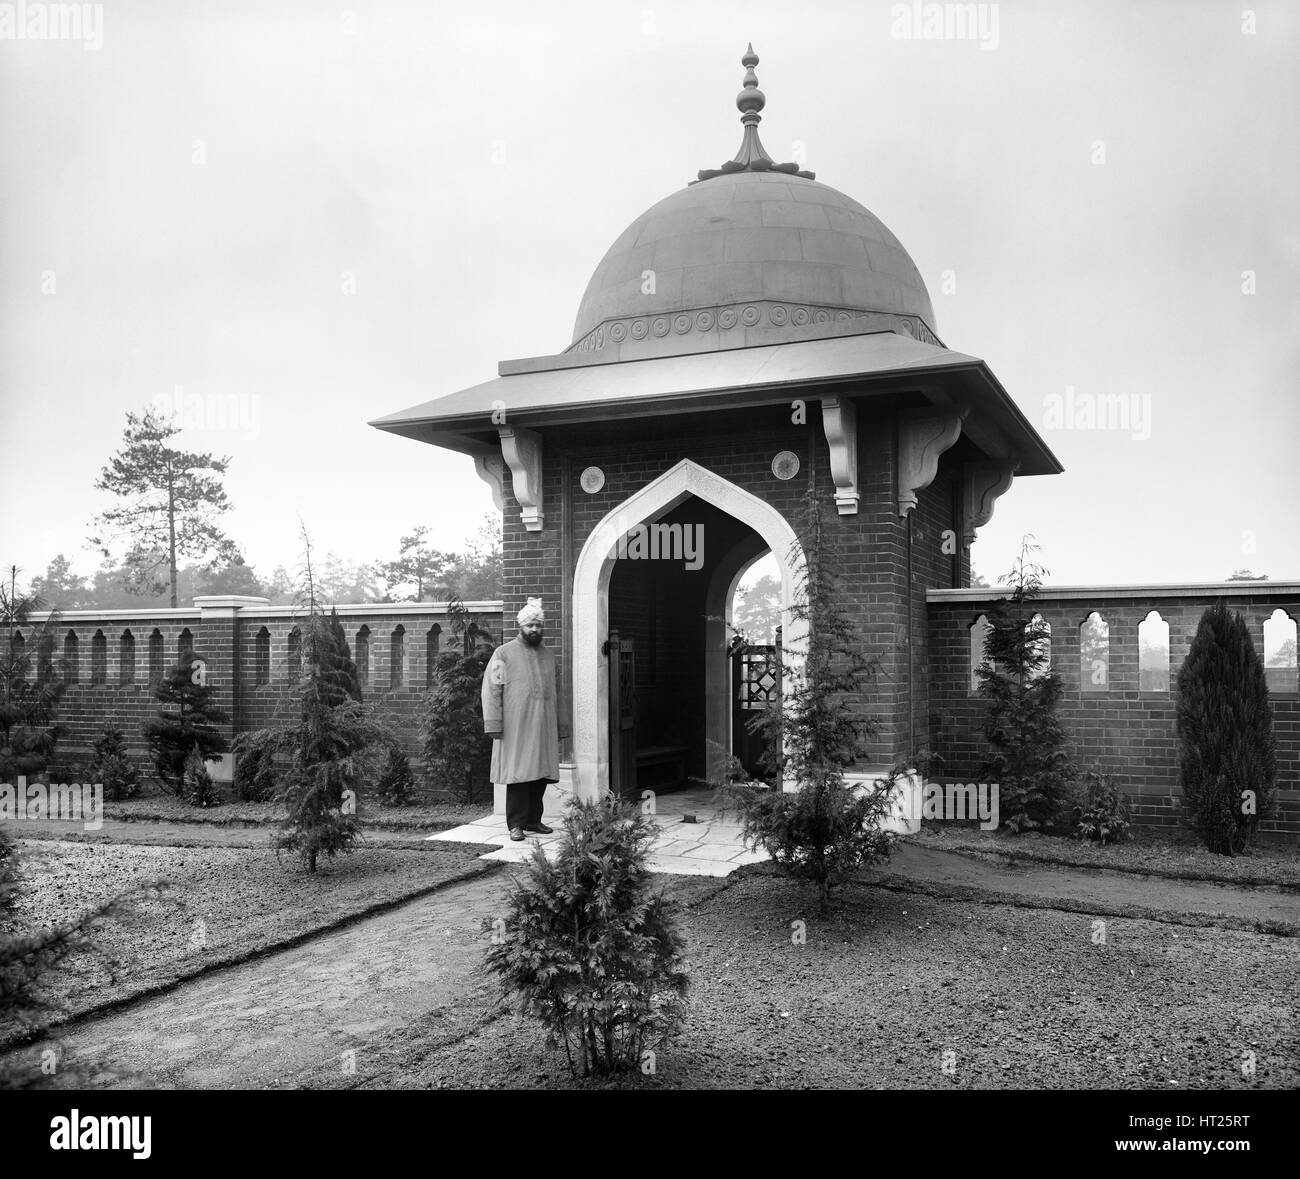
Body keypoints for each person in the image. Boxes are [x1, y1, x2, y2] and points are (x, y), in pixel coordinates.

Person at [481, 597, 567, 841]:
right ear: (521, 626)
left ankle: (533, 820)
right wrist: (494, 723)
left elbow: (558, 693)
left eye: (538, 625)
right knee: (518, 775)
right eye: (530, 625)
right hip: (516, 727)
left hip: (543, 726)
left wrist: (561, 724)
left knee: (540, 775)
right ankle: (515, 824)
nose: (535, 630)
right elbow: (492, 689)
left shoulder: (550, 656)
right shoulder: (503, 653)